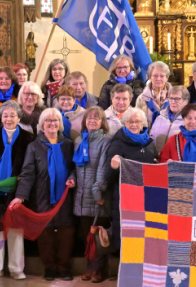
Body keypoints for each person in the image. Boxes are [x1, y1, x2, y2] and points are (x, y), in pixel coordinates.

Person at [12, 108, 77, 281]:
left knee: (66, 231)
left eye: (55, 120)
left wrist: (72, 178)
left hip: (65, 195)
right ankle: (49, 267)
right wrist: (20, 196)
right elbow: (27, 174)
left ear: (60, 124)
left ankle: (63, 267)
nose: (52, 123)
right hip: (42, 194)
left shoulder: (69, 145)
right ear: (42, 124)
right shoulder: (34, 146)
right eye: (48, 120)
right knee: (45, 231)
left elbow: (75, 168)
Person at [0, 101, 32, 281]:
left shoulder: (28, 139)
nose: (9, 119)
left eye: (13, 115)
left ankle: (16, 268)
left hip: (17, 192)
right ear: (1, 118)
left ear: (19, 118)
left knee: (16, 231)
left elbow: (31, 165)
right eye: (5, 115)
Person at [105, 107, 158, 254]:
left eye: (137, 122)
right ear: (124, 123)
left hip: (145, 197)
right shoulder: (118, 143)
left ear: (143, 124)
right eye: (130, 122)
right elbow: (108, 176)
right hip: (125, 197)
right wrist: (114, 167)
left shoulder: (149, 143)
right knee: (126, 236)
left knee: (143, 236)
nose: (134, 125)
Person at [72, 107, 112, 283]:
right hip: (81, 194)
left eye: (97, 118)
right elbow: (75, 167)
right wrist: (71, 178)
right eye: (89, 118)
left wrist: (97, 193)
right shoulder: (79, 140)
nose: (92, 121)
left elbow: (103, 169)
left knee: (98, 235)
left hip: (98, 195)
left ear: (102, 122)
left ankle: (98, 269)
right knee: (85, 235)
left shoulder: (106, 141)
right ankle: (89, 266)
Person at [150, 86, 188, 150]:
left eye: (177, 99)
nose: (173, 101)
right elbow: (151, 139)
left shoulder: (189, 121)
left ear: (185, 102)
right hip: (158, 156)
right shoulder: (159, 118)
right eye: (171, 98)